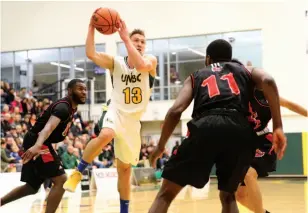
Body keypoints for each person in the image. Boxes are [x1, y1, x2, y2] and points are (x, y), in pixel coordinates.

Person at [148, 39, 287, 213]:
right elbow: (268, 80)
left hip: (205, 125)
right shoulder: (246, 70)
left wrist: (161, 146)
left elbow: (175, 111)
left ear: (207, 59)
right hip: (240, 131)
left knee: (165, 194)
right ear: (230, 58)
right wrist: (278, 127)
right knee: (228, 197)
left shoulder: (196, 75)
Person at [63, 17, 157, 213]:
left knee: (124, 170)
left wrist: (125, 39)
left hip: (133, 122)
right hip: (115, 110)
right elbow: (90, 53)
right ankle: (78, 172)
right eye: (136, 40)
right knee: (106, 134)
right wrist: (91, 27)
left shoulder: (151, 61)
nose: (139, 43)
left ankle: (124, 210)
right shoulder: (116, 63)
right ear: (129, 42)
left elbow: (140, 66)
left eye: (142, 41)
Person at [0, 79, 87, 213]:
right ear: (70, 91)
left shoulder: (71, 108)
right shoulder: (63, 108)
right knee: (61, 181)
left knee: (32, 187)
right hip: (38, 142)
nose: (84, 92)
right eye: (80, 89)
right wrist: (37, 146)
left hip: (38, 141)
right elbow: (48, 128)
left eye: (85, 89)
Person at [234, 59, 308, 213]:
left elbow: (290, 105)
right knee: (239, 196)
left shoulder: (262, 94)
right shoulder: (231, 98)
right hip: (244, 145)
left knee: (248, 174)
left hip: (263, 141)